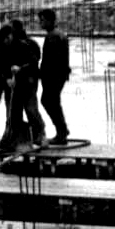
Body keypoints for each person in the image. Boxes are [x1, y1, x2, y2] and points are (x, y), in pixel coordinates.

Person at [0, 17, 46, 153]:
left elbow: (34, 63)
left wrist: (20, 69)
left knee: (31, 110)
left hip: (27, 84)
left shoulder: (27, 45)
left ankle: (40, 136)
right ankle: (14, 140)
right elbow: (0, 66)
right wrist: (7, 79)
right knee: (12, 113)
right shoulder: (2, 47)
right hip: (11, 86)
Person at [38, 8, 71, 144]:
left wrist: (41, 73)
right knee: (52, 102)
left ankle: (61, 131)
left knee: (48, 101)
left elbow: (51, 61)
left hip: (53, 76)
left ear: (50, 20)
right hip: (59, 75)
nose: (41, 23)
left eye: (42, 20)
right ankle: (62, 130)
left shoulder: (52, 36)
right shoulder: (58, 34)